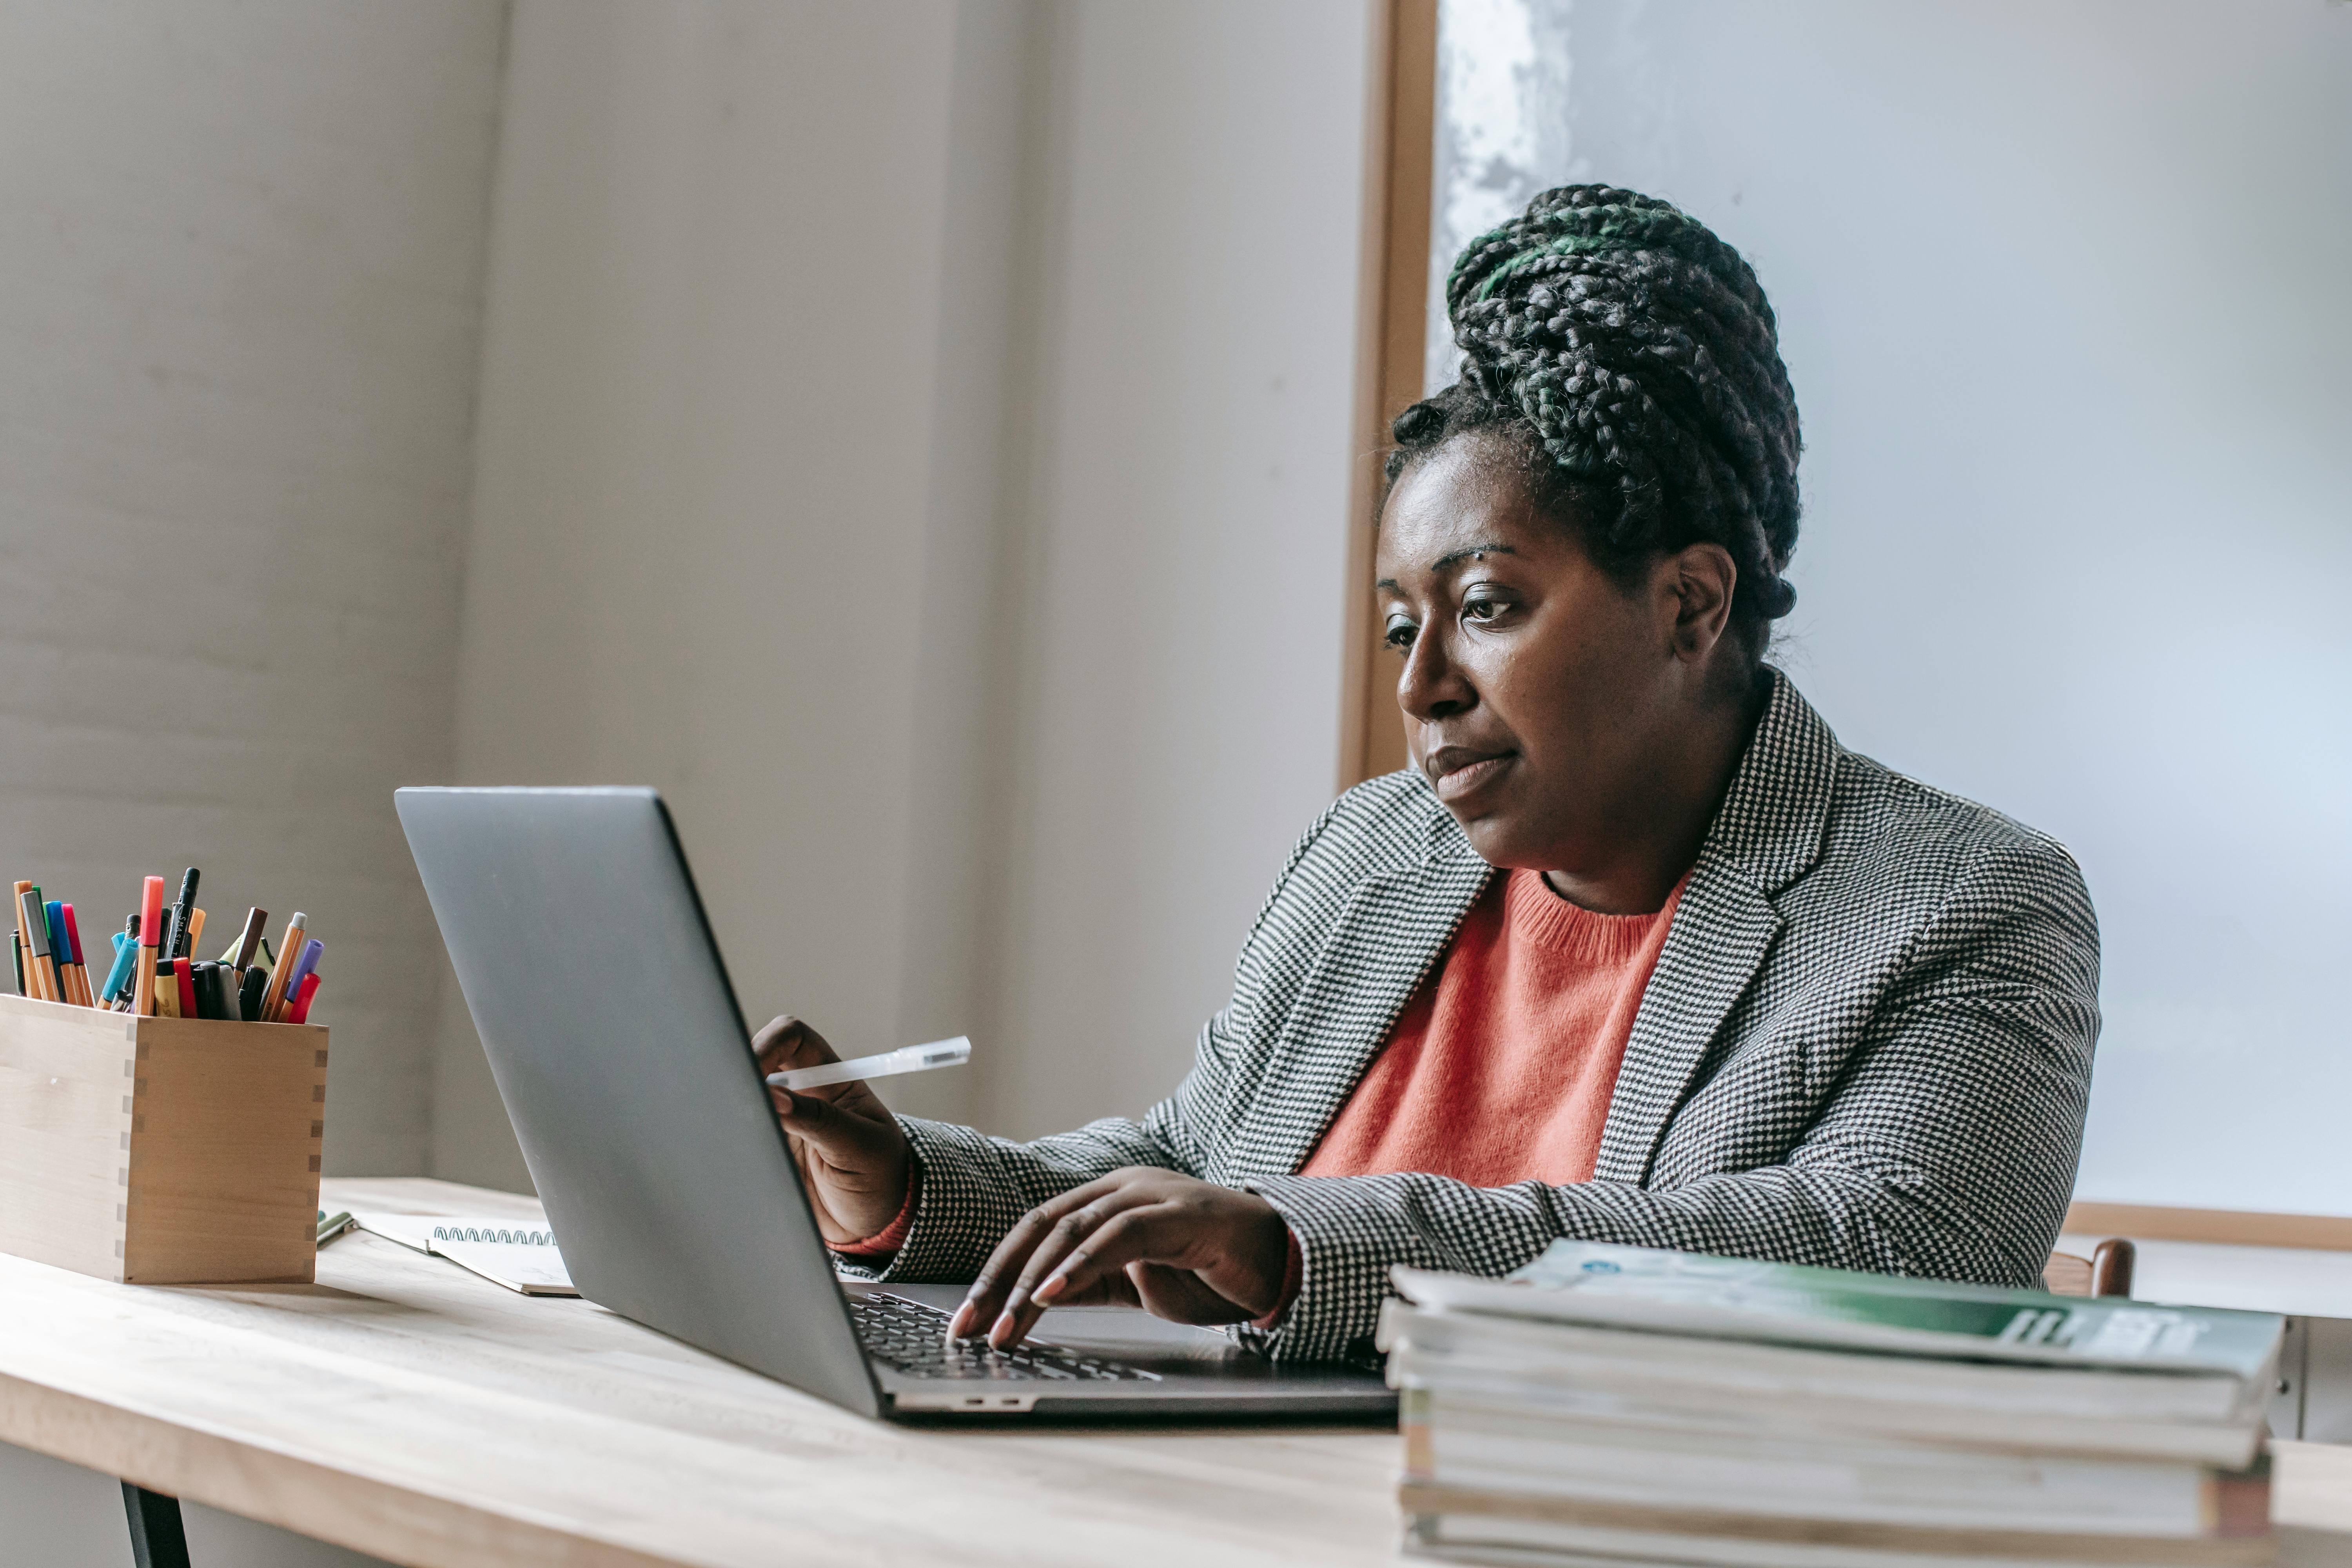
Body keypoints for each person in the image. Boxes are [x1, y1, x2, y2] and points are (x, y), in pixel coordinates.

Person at [759, 185, 2100, 1366]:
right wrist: (904, 1182)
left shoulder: (1963, 904)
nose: (1422, 686)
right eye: (1405, 624)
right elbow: (1186, 1174)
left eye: (1491, 607)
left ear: (1691, 606)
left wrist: (1300, 1245)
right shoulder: (1374, 852)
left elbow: (1877, 1258)